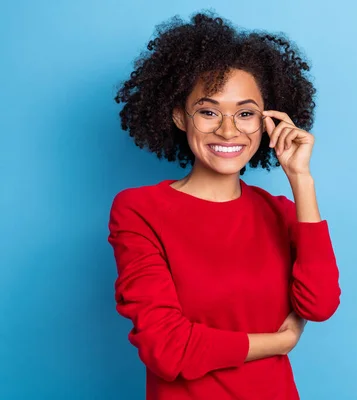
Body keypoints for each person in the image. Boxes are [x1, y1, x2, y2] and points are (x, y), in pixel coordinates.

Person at [107, 10, 341, 400]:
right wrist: (276, 343)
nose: (229, 130)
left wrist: (301, 179)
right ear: (181, 116)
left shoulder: (283, 212)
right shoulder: (139, 210)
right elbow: (167, 349)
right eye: (209, 111)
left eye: (246, 113)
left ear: (268, 122)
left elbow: (318, 304)